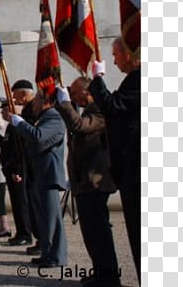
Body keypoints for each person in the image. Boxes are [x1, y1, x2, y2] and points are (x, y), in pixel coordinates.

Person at [56, 77, 120, 285]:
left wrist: (66, 103)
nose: (73, 97)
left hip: (95, 180)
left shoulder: (99, 111)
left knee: (99, 232)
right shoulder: (88, 110)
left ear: (87, 91)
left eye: (75, 93)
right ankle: (100, 271)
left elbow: (80, 126)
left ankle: (109, 277)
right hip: (84, 181)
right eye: (71, 94)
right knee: (91, 233)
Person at [89, 36, 140, 276]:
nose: (113, 60)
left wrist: (98, 79)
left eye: (116, 54)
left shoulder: (139, 80)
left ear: (129, 54)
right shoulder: (132, 80)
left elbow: (112, 107)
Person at [4, 89, 68, 268]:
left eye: (38, 99)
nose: (35, 103)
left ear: (46, 101)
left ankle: (57, 257)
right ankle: (47, 253)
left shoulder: (54, 118)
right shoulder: (44, 118)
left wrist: (20, 123)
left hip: (49, 175)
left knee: (52, 219)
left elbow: (38, 138)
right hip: (39, 174)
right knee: (44, 219)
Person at [0, 80, 41, 253]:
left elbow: (20, 150)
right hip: (16, 169)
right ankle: (26, 234)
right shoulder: (13, 125)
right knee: (20, 204)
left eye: (14, 97)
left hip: (23, 170)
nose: (4, 112)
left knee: (27, 205)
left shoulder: (24, 120)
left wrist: (17, 170)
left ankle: (27, 234)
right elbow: (9, 147)